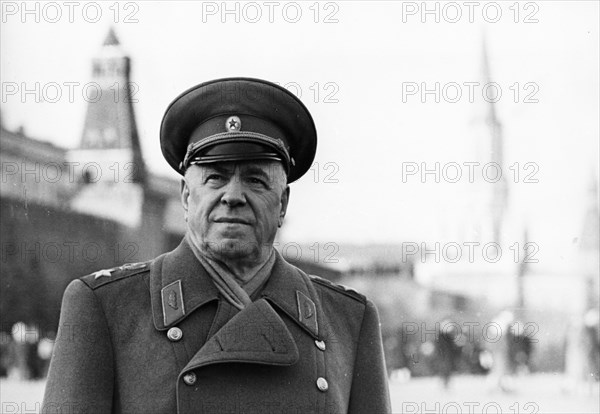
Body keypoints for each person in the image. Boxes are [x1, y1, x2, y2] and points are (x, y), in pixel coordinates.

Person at [42, 78, 391, 414]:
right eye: (215, 177)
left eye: (255, 180)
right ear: (185, 196)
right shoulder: (106, 308)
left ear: (282, 203)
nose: (233, 196)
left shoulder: (347, 320)